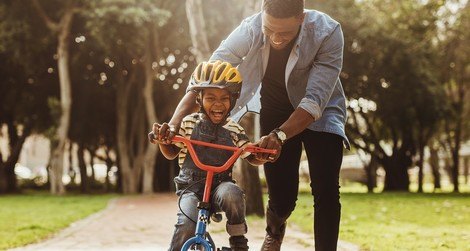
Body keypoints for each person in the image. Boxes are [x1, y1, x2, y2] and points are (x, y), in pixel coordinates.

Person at [152, 0, 349, 250]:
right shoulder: (251, 28)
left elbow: (314, 101)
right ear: (262, 17)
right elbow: (210, 74)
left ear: (302, 18)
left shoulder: (328, 32)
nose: (276, 39)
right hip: (276, 108)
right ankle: (275, 232)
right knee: (282, 197)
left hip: (321, 111)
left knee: (326, 188)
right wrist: (175, 122)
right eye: (270, 30)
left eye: (284, 33)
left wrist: (279, 136)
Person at [150, 60, 269, 251]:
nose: (218, 104)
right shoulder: (189, 123)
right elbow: (172, 153)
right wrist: (165, 142)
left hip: (220, 187)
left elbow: (249, 154)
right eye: (211, 97)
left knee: (233, 194)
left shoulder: (234, 129)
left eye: (224, 98)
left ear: (233, 99)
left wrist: (260, 155)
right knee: (187, 223)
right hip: (190, 188)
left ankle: (238, 241)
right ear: (199, 99)